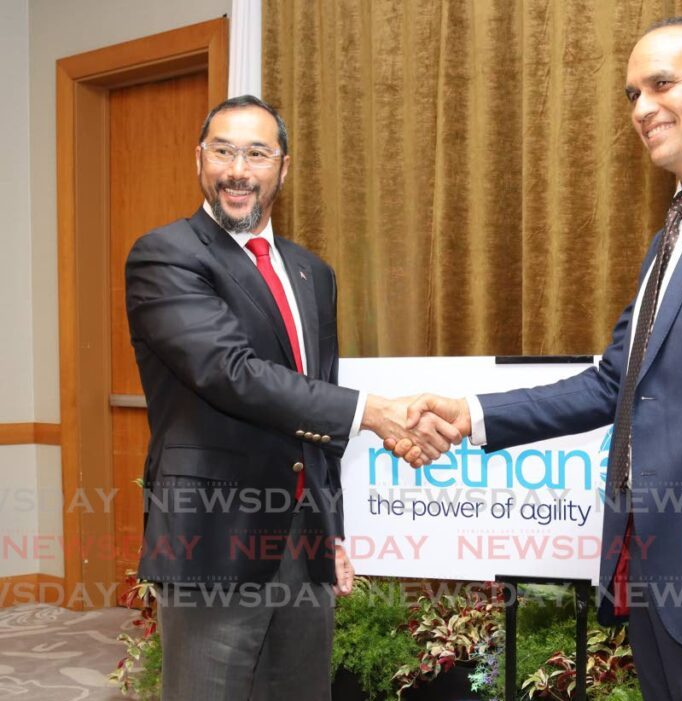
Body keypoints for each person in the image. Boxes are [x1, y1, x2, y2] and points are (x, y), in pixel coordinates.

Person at [393, 17, 682, 700]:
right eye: (631, 94)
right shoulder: (674, 229)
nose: (641, 108)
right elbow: (615, 381)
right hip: (655, 585)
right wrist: (468, 413)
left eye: (661, 84)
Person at [124, 95, 456, 700]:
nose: (237, 170)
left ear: (284, 167)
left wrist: (332, 530)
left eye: (256, 153)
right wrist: (374, 412)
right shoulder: (167, 255)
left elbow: (315, 403)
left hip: (303, 548)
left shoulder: (312, 273)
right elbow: (231, 372)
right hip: (212, 543)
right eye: (222, 151)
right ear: (200, 160)